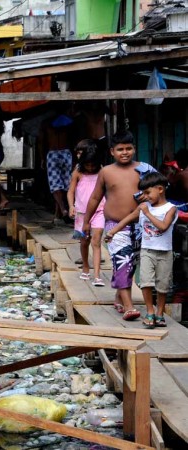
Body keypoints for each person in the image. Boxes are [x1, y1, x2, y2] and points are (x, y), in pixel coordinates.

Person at [82, 130, 157, 321]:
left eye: (128, 148)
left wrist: (149, 195)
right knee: (122, 262)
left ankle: (119, 296)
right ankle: (129, 306)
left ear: (134, 149)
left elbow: (160, 189)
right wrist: (86, 221)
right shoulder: (106, 171)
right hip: (116, 227)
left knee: (133, 265)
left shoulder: (145, 169)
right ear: (112, 151)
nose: (125, 152)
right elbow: (95, 198)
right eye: (120, 149)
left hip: (142, 226)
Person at [105, 172, 178, 327]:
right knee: (146, 282)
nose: (145, 196)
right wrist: (113, 231)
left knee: (163, 285)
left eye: (147, 192)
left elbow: (163, 227)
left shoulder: (170, 208)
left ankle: (160, 313)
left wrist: (146, 213)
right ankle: (150, 311)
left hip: (165, 252)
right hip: (147, 251)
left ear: (160, 189)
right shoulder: (144, 207)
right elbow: (128, 218)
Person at [67, 140, 105, 286]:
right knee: (84, 242)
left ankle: (97, 275)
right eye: (87, 165)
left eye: (92, 165)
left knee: (96, 241)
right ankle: (85, 266)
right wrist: (71, 206)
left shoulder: (102, 171)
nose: (90, 167)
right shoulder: (77, 172)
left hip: (99, 210)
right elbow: (71, 191)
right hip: (81, 213)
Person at [39, 106, 75, 223]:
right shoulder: (69, 123)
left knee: (55, 185)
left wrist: (42, 158)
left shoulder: (46, 123)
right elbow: (73, 140)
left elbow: (41, 142)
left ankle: (62, 209)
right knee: (67, 184)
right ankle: (61, 210)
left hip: (53, 153)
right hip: (66, 153)